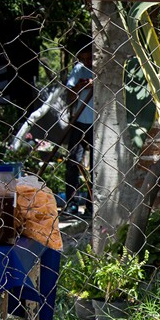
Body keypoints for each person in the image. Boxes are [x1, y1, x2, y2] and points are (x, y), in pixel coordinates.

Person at [64, 35, 94, 215]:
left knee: (97, 165)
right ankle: (71, 203)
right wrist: (81, 87)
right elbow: (69, 93)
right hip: (79, 121)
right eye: (83, 58)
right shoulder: (79, 70)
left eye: (89, 57)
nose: (86, 61)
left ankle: (92, 205)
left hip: (97, 124)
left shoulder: (102, 69)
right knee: (73, 162)